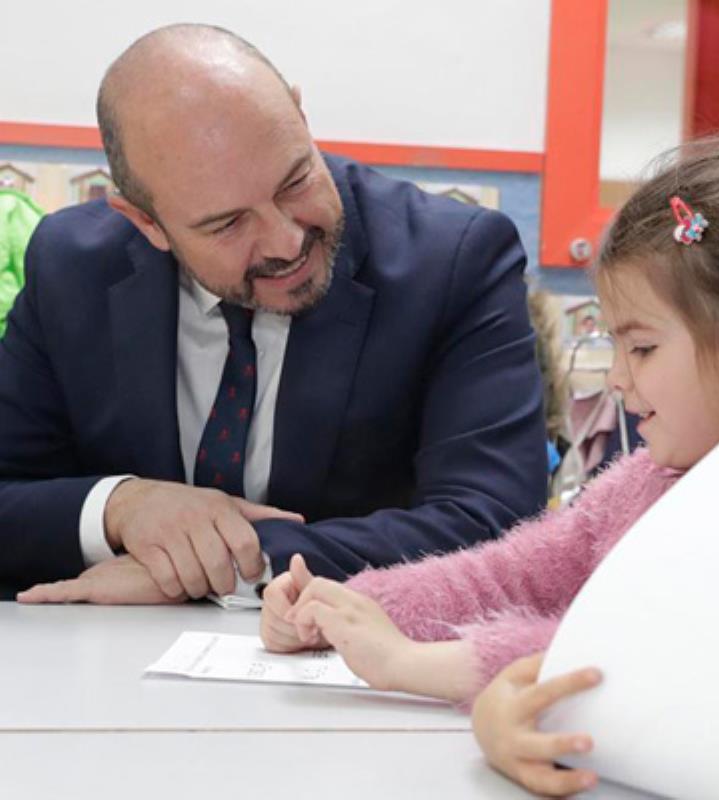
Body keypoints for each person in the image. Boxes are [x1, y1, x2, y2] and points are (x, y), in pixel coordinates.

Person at [260, 134, 719, 796]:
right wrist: (348, 607)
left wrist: (411, 663)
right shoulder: (648, 479)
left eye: (644, 348)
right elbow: (510, 574)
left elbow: (640, 660)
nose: (620, 380)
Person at [2, 24, 547, 603]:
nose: (287, 241)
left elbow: (496, 525)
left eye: (295, 180)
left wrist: (228, 563)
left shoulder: (452, 261)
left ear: (300, 115)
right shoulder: (73, 268)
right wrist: (120, 507)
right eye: (227, 224)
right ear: (146, 223)